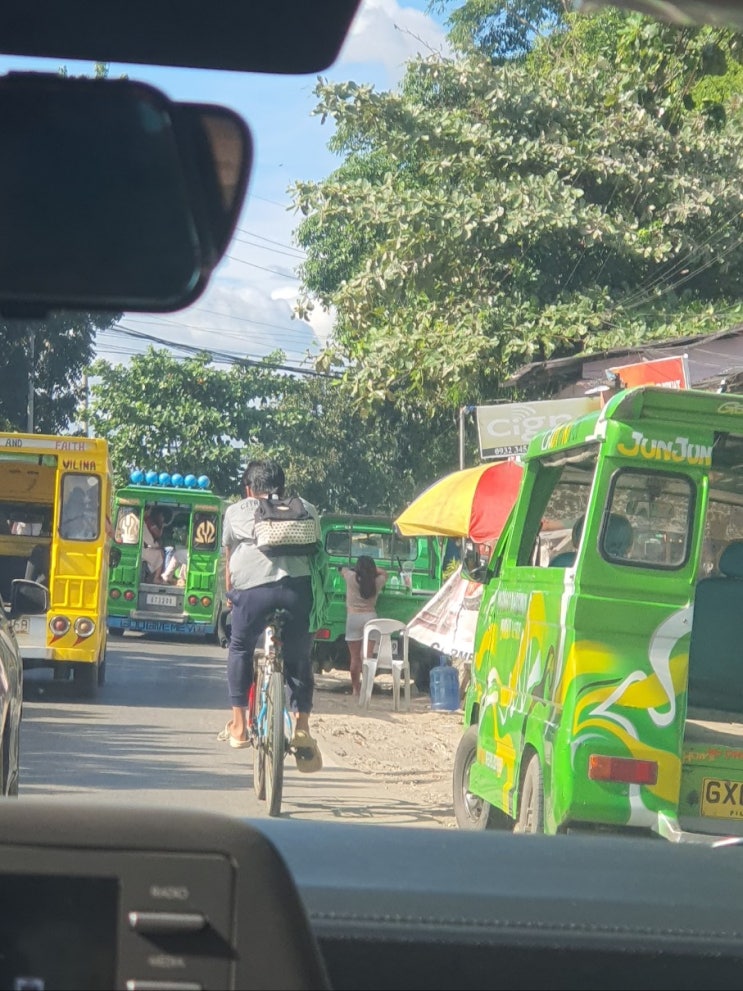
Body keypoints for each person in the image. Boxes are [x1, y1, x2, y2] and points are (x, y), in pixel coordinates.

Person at [218, 458, 323, 771]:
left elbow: (229, 559)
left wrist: (231, 597)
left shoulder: (236, 511)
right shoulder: (306, 508)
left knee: (240, 647)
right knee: (299, 658)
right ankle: (301, 727)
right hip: (297, 594)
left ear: (249, 488)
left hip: (253, 596)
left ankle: (239, 726)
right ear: (283, 486)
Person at [340, 555, 388, 699]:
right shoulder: (377, 581)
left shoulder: (350, 577)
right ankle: (367, 690)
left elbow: (342, 569)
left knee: (355, 658)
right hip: (370, 618)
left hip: (353, 618)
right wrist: (372, 570)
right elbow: (385, 573)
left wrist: (356, 570)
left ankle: (356, 689)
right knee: (367, 657)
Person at [141, 507, 166, 583]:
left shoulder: (140, 520)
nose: (149, 512)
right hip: (143, 550)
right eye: (149, 510)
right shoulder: (148, 522)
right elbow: (157, 534)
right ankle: (156, 577)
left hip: (140, 548)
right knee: (160, 554)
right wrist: (162, 526)